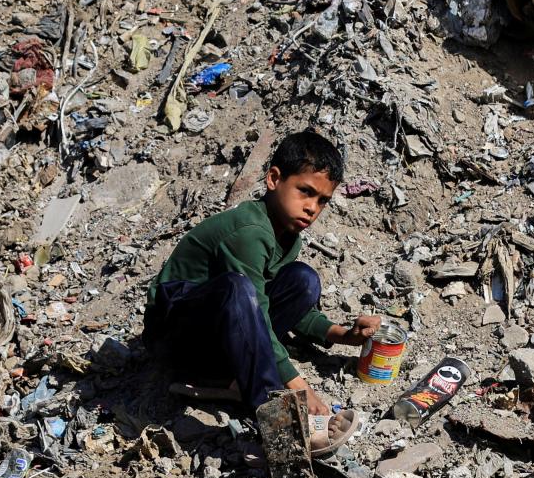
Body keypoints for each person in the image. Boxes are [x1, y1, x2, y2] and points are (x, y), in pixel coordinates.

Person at [144, 131, 381, 416]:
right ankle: (272, 410)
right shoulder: (249, 232)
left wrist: (343, 335)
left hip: (219, 335)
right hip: (176, 341)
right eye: (305, 191)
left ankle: (231, 380)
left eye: (322, 201)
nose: (311, 208)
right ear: (274, 179)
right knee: (237, 288)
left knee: (303, 279)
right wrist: (298, 384)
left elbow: (265, 305)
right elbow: (247, 299)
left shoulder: (288, 237)